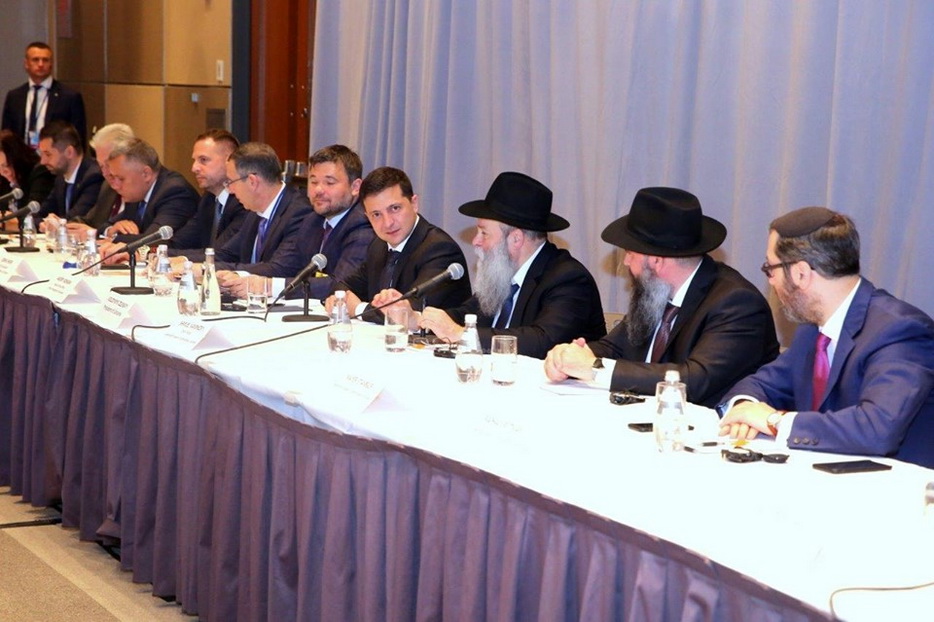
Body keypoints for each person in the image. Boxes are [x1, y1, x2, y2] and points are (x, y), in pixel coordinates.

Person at [719, 207, 934, 468]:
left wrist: (774, 421)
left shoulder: (900, 330)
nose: (771, 282)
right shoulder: (812, 328)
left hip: (896, 485)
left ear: (800, 273)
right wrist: (745, 407)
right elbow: (763, 383)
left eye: (770, 269)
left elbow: (877, 428)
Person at [544, 187, 779, 408]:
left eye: (630, 253)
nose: (625, 262)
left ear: (656, 260)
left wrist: (595, 368)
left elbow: (693, 380)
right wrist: (568, 356)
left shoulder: (736, 303)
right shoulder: (656, 292)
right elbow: (614, 348)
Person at [418, 171, 605, 358]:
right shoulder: (504, 272)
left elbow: (544, 340)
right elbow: (466, 315)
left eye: (484, 233)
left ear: (516, 239)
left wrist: (461, 334)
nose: (475, 241)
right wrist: (419, 320)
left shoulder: (568, 279)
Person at [218, 144, 373, 300]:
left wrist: (268, 286)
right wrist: (240, 277)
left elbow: (340, 285)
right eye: (313, 182)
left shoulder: (363, 225)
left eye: (329, 183)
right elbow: (286, 267)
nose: (318, 190)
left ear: (355, 187)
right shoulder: (313, 221)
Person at [326, 166, 471, 323]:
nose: (387, 223)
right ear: (367, 217)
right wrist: (340, 299)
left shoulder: (439, 249)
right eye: (376, 214)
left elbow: (408, 314)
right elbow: (342, 286)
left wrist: (357, 308)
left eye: (395, 208)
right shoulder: (379, 246)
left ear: (414, 203)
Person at [179, 142, 311, 276]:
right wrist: (184, 263)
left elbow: (277, 269)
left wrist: (207, 269)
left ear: (253, 181)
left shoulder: (299, 213)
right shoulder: (253, 210)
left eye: (230, 182)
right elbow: (227, 254)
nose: (229, 190)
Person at [96, 137, 198, 251]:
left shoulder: (175, 192)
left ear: (146, 174)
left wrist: (114, 239)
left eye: (121, 179)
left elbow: (154, 240)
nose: (115, 186)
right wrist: (111, 230)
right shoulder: (137, 192)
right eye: (113, 177)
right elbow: (104, 226)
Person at [170, 129, 247, 251]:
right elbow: (179, 242)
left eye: (203, 160)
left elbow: (220, 253)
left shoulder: (243, 202)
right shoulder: (208, 199)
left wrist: (180, 259)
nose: (194, 168)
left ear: (229, 161)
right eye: (194, 160)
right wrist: (149, 251)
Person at [1, 42, 87, 147]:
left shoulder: (69, 97)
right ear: (26, 64)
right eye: (35, 60)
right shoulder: (14, 97)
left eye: (45, 60)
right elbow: (6, 136)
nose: (41, 64)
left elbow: (78, 138)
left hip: (55, 155)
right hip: (21, 155)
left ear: (51, 64)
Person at [65, 123, 135, 235]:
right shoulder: (107, 187)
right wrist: (61, 226)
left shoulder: (139, 189)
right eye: (101, 166)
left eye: (108, 165)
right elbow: (88, 221)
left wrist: (96, 233)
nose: (105, 173)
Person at [34, 120, 103, 229]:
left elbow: (75, 219)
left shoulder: (93, 177)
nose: (42, 161)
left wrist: (53, 223)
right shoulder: (60, 179)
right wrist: (43, 223)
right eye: (41, 154)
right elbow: (39, 215)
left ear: (69, 152)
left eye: (48, 154)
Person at [0, 129, 53, 228]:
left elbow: (34, 215)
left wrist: (11, 219)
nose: (3, 172)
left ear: (17, 159)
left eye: (6, 165)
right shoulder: (4, 180)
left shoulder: (39, 173)